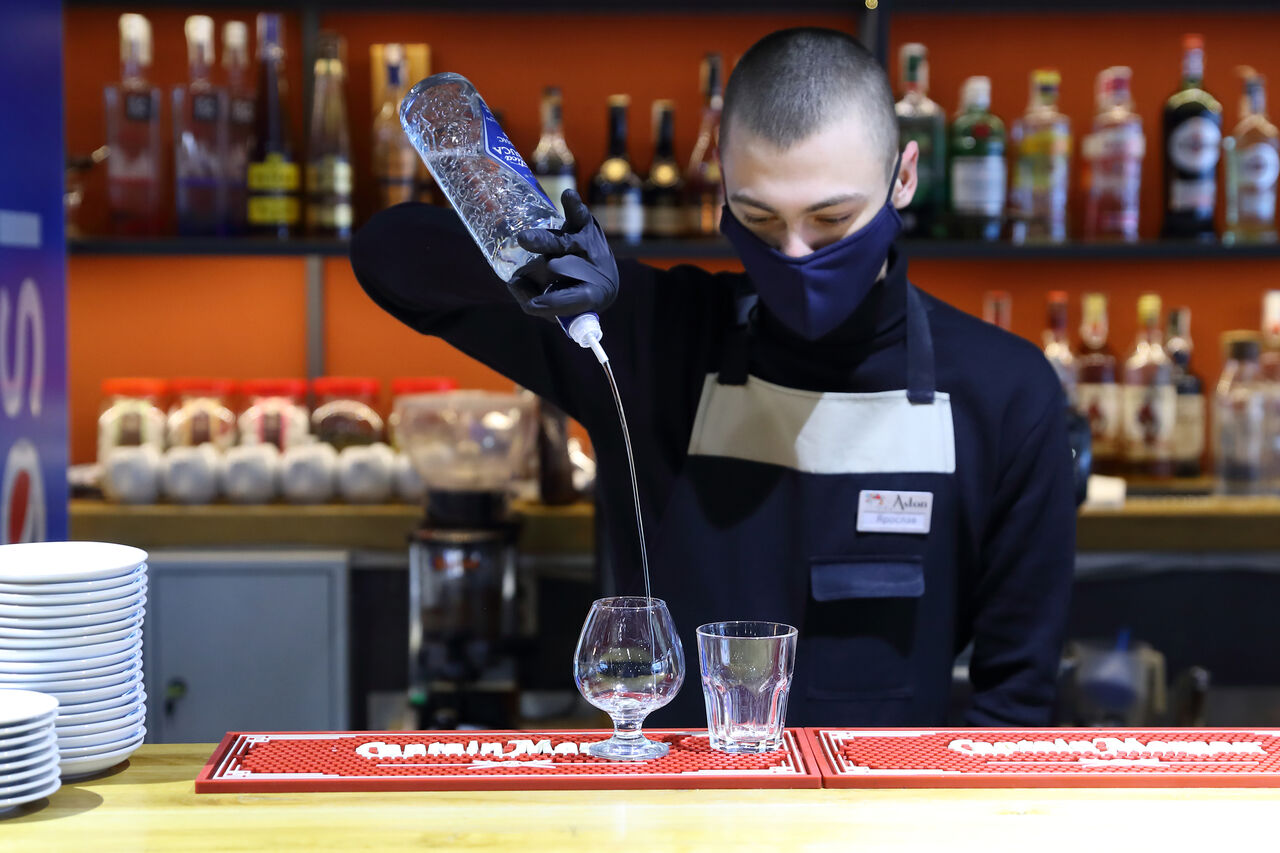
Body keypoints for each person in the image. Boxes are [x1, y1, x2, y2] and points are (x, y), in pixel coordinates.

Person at [351, 28, 1075, 727]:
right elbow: (389, 256)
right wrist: (531, 254)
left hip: (883, 798)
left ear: (904, 177)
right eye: (760, 219)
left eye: (831, 219)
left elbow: (1015, 699)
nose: (796, 255)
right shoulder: (655, 335)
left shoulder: (1005, 394)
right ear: (725, 190)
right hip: (675, 796)